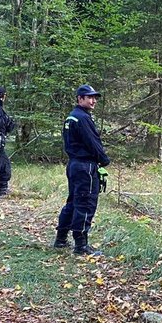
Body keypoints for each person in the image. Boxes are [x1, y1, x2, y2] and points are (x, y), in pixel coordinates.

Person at [54, 84, 110, 254]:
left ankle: (61, 238)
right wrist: (104, 160)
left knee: (73, 201)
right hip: (85, 167)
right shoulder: (82, 118)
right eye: (89, 97)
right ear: (80, 99)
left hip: (74, 165)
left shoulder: (72, 117)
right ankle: (81, 245)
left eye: (95, 98)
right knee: (85, 203)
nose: (93, 101)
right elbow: (93, 143)